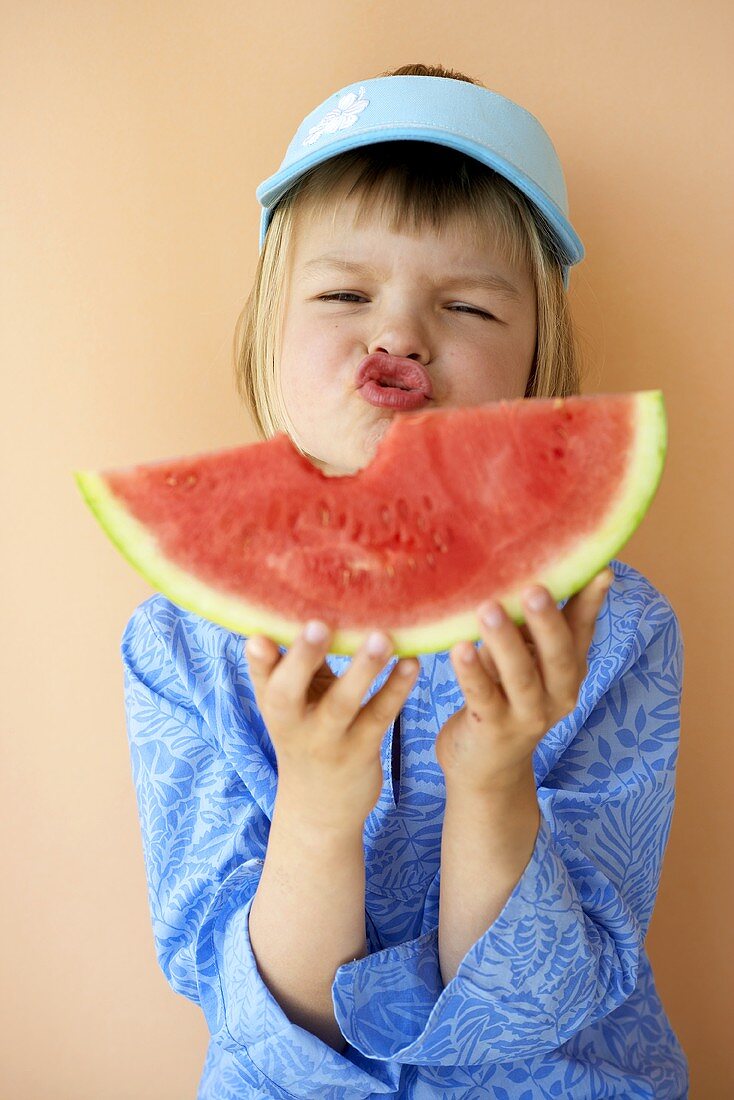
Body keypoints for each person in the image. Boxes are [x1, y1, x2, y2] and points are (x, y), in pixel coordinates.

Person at [121, 64, 689, 1099]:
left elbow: (545, 1007)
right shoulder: (182, 643)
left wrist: (492, 777)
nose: (398, 337)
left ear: (535, 362)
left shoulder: (611, 629)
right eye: (343, 292)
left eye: (468, 305)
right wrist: (316, 807)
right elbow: (248, 1011)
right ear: (267, 332)